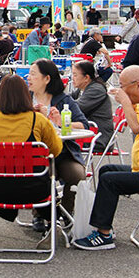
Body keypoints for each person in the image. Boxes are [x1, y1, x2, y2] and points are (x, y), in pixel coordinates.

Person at [74, 66, 139, 251]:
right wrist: (128, 100)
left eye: (124, 87)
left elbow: (136, 126)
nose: (122, 91)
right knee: (106, 170)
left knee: (109, 180)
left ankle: (103, 234)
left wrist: (124, 101)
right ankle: (105, 224)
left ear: (138, 85)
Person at [0, 75, 63, 249]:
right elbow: (56, 150)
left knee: (7, 177)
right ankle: (53, 223)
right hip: (35, 189)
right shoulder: (38, 120)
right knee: (41, 178)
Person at [27, 59, 88, 218]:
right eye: (29, 74)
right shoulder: (25, 99)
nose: (28, 77)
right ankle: (41, 214)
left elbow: (84, 125)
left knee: (77, 175)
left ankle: (65, 213)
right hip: (34, 154)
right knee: (40, 173)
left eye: (33, 74)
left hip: (63, 153)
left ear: (47, 79)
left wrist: (61, 121)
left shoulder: (63, 100)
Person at [70, 61, 114, 152]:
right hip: (87, 133)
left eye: (75, 75)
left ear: (86, 77)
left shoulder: (96, 89)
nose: (72, 78)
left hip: (98, 138)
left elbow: (75, 108)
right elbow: (68, 99)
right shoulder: (84, 88)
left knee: (56, 144)